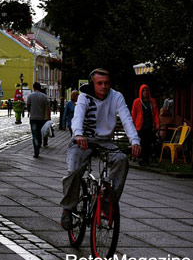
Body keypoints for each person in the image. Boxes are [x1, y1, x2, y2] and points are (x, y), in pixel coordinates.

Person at [60, 68, 141, 231]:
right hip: (82, 140)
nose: (104, 86)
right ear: (93, 84)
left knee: (121, 160)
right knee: (74, 170)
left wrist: (135, 141)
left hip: (104, 141)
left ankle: (106, 202)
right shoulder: (84, 96)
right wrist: (78, 134)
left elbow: (126, 118)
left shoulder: (116, 97)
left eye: (106, 83)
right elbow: (78, 116)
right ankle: (68, 208)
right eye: (100, 83)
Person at [131, 84, 160, 165]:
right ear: (141, 92)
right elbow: (134, 114)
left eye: (146, 90)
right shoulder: (137, 102)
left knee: (149, 143)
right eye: (143, 90)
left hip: (150, 125)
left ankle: (146, 159)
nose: (145, 92)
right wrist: (132, 125)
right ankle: (141, 158)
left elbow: (156, 113)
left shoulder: (152, 101)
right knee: (142, 142)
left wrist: (157, 124)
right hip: (140, 125)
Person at [26, 82, 50, 157]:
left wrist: (30, 112)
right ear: (39, 88)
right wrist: (48, 118)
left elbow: (28, 106)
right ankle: (39, 144)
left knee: (35, 134)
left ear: (33, 87)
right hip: (41, 118)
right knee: (40, 133)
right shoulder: (44, 97)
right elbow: (47, 108)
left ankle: (36, 149)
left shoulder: (30, 96)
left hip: (33, 118)